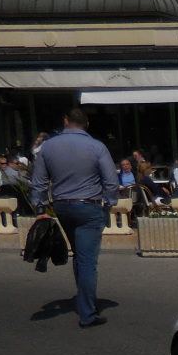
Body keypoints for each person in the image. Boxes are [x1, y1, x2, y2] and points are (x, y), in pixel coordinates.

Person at [28, 108, 119, 329]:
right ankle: (87, 313)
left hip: (62, 206)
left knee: (79, 256)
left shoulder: (47, 147)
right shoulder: (97, 147)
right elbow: (111, 182)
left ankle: (85, 302)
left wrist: (40, 207)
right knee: (87, 260)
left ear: (65, 121)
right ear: (86, 124)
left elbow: (38, 182)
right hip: (89, 206)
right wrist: (109, 203)